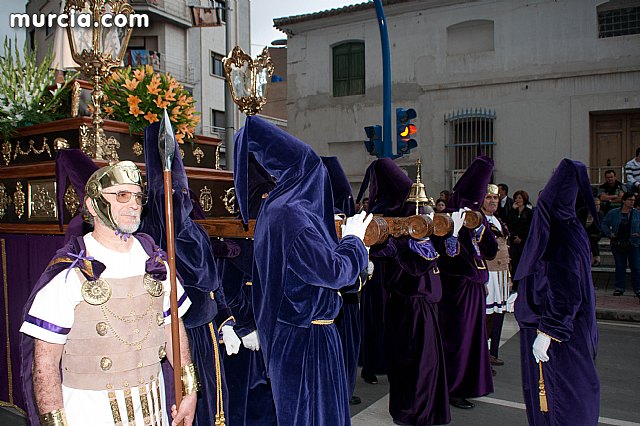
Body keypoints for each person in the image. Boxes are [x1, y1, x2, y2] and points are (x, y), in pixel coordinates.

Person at [20, 161, 197, 426]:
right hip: (90, 413)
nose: (134, 204)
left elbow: (174, 329)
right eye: (122, 195)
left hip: (153, 408)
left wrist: (189, 390)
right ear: (92, 206)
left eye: (138, 196)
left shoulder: (156, 263)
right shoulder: (70, 271)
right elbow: (45, 364)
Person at [233, 116, 371, 426]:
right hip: (306, 342)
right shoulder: (291, 215)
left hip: (304, 336)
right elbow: (334, 272)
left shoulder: (279, 209)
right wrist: (354, 242)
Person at [139, 121, 242, 425]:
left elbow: (212, 282)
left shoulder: (191, 232)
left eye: (183, 193)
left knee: (211, 400)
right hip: (180, 334)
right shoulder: (147, 237)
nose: (181, 200)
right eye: (175, 194)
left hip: (205, 330)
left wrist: (225, 321)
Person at [514, 159, 600, 425]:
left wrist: (550, 331)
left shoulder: (560, 233)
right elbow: (546, 276)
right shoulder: (570, 228)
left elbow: (566, 289)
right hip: (567, 329)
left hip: (559, 335)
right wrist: (524, 295)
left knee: (560, 399)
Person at [368, 158, 450, 426]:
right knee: (413, 362)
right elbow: (410, 264)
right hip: (408, 305)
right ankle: (414, 410)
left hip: (421, 304)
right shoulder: (393, 229)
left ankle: (420, 408)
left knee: (422, 361)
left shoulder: (417, 223)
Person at [432, 156, 498, 410]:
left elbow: (490, 251)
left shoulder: (478, 218)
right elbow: (444, 256)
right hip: (456, 290)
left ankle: (469, 384)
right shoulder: (447, 217)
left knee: (474, 340)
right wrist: (454, 234)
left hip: (475, 289)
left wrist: (480, 229)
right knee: (457, 340)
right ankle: (452, 388)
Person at [322, 156, 368, 406]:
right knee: (340, 350)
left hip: (350, 296)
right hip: (337, 296)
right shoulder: (325, 220)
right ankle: (341, 392)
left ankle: (346, 389)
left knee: (350, 348)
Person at [482, 184, 511, 369]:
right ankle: (482, 358)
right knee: (486, 316)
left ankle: (493, 353)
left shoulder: (498, 220)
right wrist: (482, 278)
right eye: (489, 198)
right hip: (488, 274)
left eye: (495, 198)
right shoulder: (478, 221)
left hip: (501, 274)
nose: (493, 201)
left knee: (499, 313)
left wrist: (509, 275)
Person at [600, 192, 640, 298]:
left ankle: (638, 288)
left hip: (633, 243)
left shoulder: (637, 213)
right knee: (620, 266)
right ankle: (619, 288)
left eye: (633, 200)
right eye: (630, 200)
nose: (632, 202)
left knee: (636, 267)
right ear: (623, 201)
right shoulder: (614, 213)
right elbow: (604, 223)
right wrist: (609, 233)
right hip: (617, 242)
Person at [508, 190, 534, 291]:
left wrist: (521, 237)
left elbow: (529, 227)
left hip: (524, 241)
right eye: (516, 198)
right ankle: (515, 284)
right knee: (514, 262)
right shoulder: (513, 211)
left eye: (519, 198)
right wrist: (512, 211)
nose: (517, 200)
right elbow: (509, 223)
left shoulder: (529, 212)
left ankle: (523, 285)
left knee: (522, 262)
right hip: (513, 240)